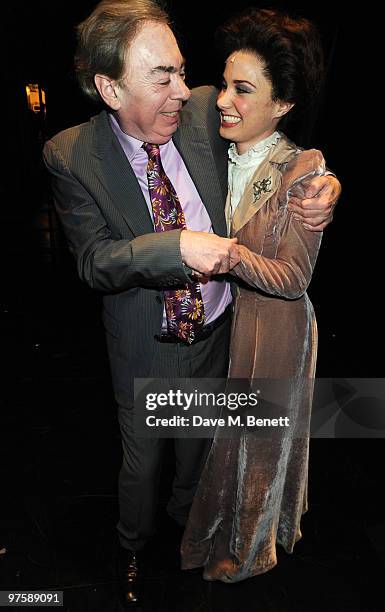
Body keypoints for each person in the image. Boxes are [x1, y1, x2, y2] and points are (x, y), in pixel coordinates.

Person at [42, 0, 340, 605]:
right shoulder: (70, 154)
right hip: (141, 344)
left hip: (218, 333)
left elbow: (274, 141)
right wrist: (174, 246)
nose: (186, 90)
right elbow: (92, 262)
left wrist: (327, 185)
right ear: (109, 86)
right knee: (142, 463)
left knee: (199, 445)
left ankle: (189, 523)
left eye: (183, 71)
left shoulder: (205, 109)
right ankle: (132, 546)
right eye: (163, 76)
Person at [181, 7, 333, 583]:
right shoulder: (221, 149)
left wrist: (227, 253)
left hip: (277, 329)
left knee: (259, 450)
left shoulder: (304, 170)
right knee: (232, 440)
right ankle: (223, 533)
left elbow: (295, 279)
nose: (223, 99)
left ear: (284, 104)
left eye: (243, 90)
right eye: (224, 83)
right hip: (237, 322)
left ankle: (249, 550)